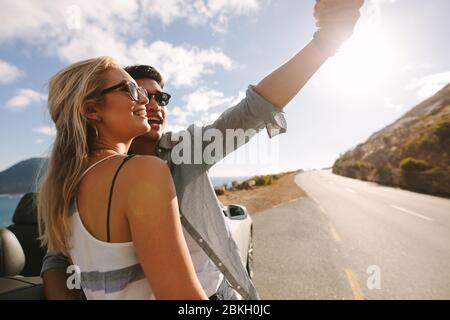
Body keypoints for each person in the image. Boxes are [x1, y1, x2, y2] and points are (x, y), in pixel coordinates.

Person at [40, 0, 364, 300]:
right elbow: (56, 257)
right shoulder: (124, 174)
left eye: (161, 97)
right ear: (92, 109)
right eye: (137, 91)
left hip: (217, 291)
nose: (150, 103)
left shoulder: (181, 150)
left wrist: (324, 43)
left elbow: (252, 111)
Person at [37, 57, 208, 300]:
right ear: (91, 110)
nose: (144, 99)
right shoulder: (142, 172)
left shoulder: (65, 188)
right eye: (131, 90)